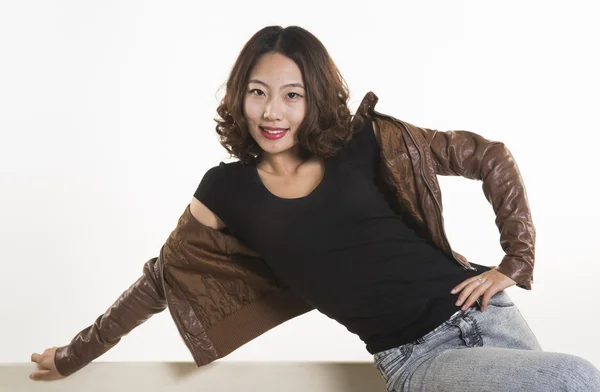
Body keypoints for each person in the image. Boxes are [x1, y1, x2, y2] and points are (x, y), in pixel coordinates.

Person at [30, 25, 600, 391]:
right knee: (576, 380)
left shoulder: (367, 141)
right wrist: (76, 355)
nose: (272, 111)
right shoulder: (228, 190)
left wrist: (515, 262)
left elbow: (488, 156)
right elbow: (163, 279)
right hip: (418, 359)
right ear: (240, 97)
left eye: (292, 94)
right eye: (258, 91)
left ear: (316, 98)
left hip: (491, 315)